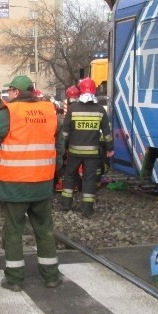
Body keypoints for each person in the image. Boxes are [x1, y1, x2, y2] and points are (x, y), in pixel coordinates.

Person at [0, 75, 64, 291]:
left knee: (13, 231)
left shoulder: (6, 116)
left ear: (14, 92)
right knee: (45, 230)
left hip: (13, 185)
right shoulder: (50, 113)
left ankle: (14, 280)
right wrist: (51, 169)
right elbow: (59, 149)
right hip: (42, 183)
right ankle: (51, 276)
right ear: (31, 92)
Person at [60, 77, 113, 218]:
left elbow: (65, 133)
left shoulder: (73, 109)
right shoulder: (100, 110)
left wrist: (62, 150)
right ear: (94, 91)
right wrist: (110, 148)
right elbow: (107, 133)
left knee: (70, 176)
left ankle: (66, 205)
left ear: (80, 91)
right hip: (92, 153)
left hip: (74, 152)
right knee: (89, 179)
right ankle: (87, 209)